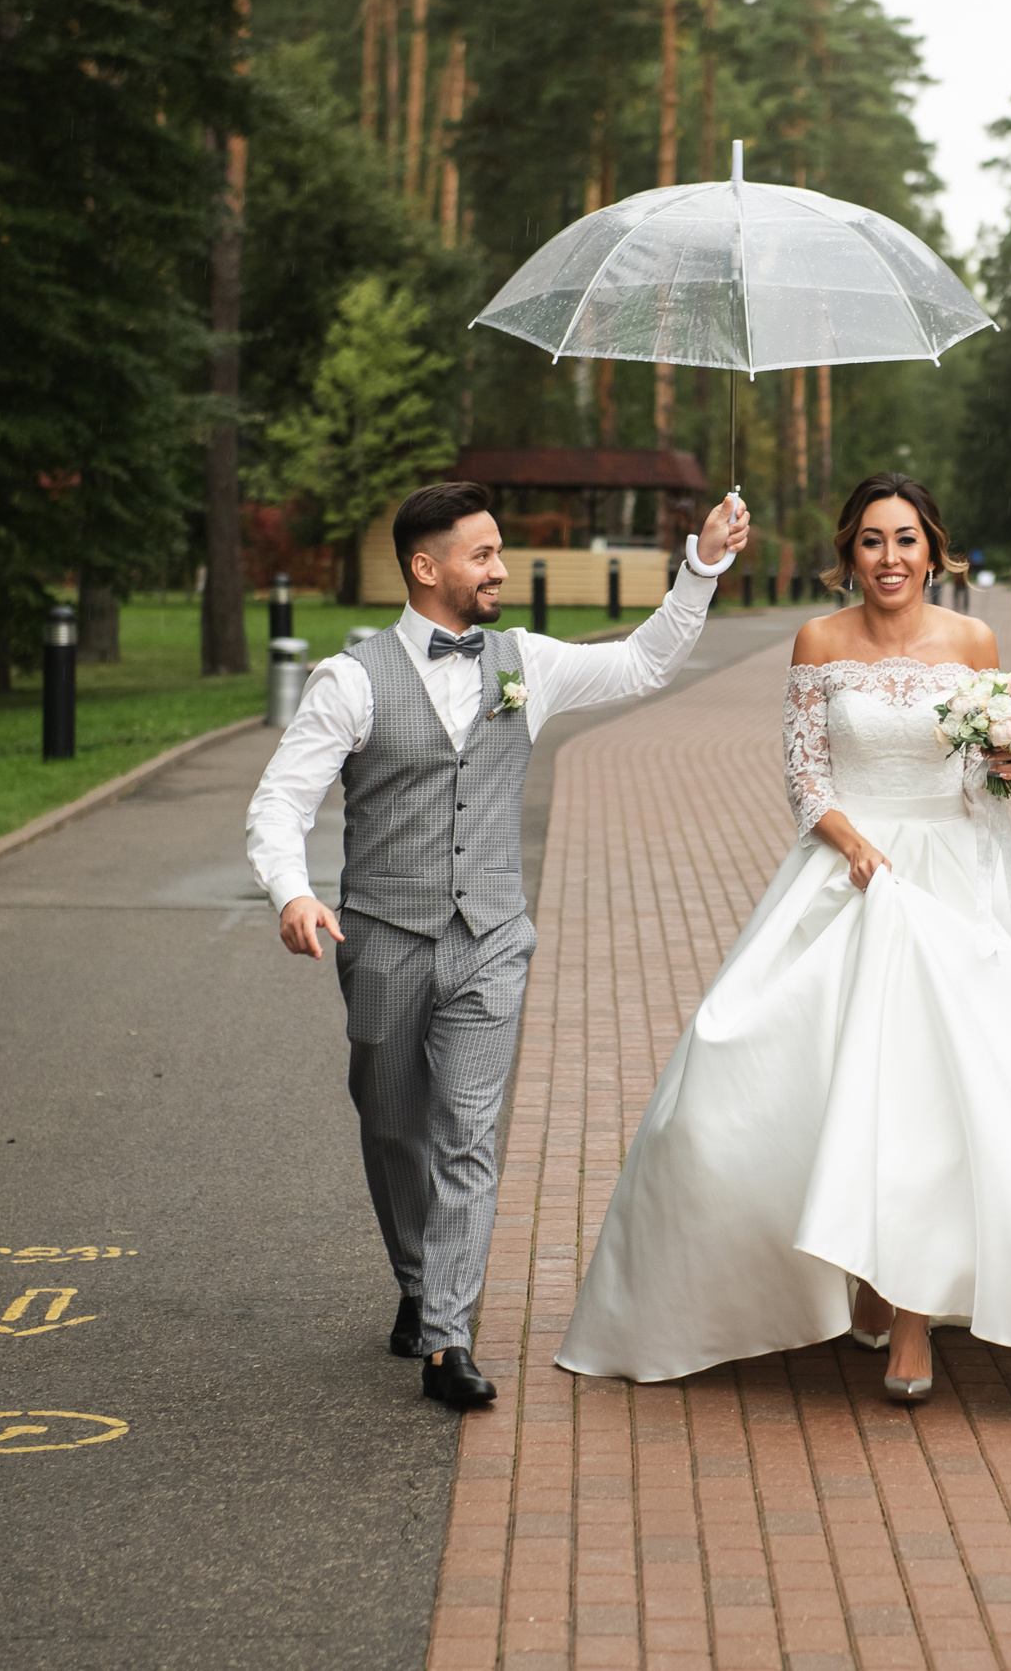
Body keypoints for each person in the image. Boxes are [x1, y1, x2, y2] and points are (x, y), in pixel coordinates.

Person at [556, 472, 1011, 1408]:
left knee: (938, 1090)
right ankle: (861, 1278)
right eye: (872, 541)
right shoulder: (818, 643)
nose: (889, 559)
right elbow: (804, 779)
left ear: (934, 549)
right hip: (848, 871)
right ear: (849, 554)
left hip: (959, 878)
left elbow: (985, 790)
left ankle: (912, 1320)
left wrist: (1009, 764)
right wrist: (852, 844)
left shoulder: (974, 641)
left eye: (906, 540)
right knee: (763, 1078)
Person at [244, 479, 751, 1411]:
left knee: (467, 1135)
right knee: (392, 1123)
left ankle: (447, 1338)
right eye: (482, 555)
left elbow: (643, 664)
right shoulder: (351, 680)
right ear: (425, 568)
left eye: (500, 552)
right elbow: (282, 800)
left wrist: (702, 565)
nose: (501, 569)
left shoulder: (527, 661)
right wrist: (295, 893)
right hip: (385, 942)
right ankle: (415, 1280)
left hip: (491, 941)